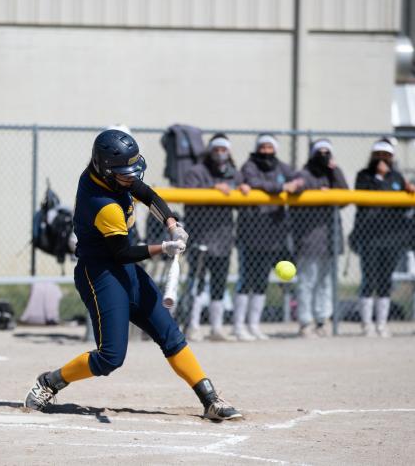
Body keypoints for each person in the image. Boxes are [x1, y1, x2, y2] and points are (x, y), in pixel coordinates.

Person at [23, 128, 241, 421]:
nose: (132, 178)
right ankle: (50, 382)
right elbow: (122, 252)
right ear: (107, 170)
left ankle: (209, 398)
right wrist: (164, 247)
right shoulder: (102, 203)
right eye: (125, 173)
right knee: (111, 357)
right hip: (100, 273)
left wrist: (172, 224)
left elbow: (148, 194)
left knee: (170, 335)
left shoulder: (113, 177)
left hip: (124, 268)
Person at [235, 134, 304, 341]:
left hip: (274, 232)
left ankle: (253, 325)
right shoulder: (249, 165)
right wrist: (281, 187)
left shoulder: (282, 166)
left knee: (261, 281)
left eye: (269, 147)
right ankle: (239, 326)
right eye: (263, 147)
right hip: (251, 231)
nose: (266, 150)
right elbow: (253, 181)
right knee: (246, 280)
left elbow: (299, 180)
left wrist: (297, 185)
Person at [182, 134, 250, 342]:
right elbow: (189, 195)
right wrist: (212, 189)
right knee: (197, 282)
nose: (220, 153)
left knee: (219, 283)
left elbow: (241, 192)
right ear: (210, 151)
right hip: (200, 236)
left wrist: (243, 189)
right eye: (216, 149)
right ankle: (192, 326)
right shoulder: (196, 171)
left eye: (224, 149)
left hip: (223, 237)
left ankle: (216, 327)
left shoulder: (233, 173)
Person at [350, 139, 415, 337]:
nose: (381, 159)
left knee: (386, 281)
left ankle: (382, 324)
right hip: (369, 236)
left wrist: (408, 191)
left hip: (392, 236)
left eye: (385, 155)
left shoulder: (396, 177)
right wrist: (379, 177)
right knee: (369, 280)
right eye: (378, 155)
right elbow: (363, 201)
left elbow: (403, 207)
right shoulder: (364, 176)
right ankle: (367, 324)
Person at [291, 139, 348, 337]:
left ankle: (323, 321)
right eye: (320, 152)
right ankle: (305, 322)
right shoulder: (305, 173)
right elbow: (298, 185)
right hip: (310, 239)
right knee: (307, 282)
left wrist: (336, 171)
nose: (324, 155)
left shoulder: (333, 175)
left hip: (331, 239)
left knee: (326, 282)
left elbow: (345, 197)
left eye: (327, 152)